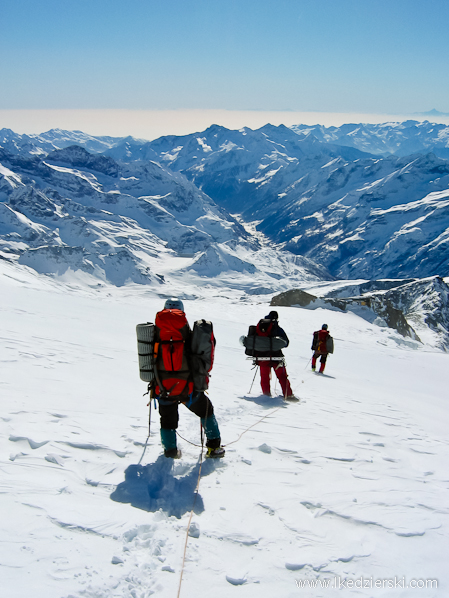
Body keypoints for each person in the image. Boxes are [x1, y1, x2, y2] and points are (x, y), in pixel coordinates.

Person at [154, 298, 225, 459]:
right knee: (206, 411)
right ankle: (214, 448)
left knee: (167, 420)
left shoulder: (154, 334)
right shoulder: (190, 335)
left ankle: (170, 451)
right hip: (188, 388)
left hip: (163, 387)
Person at [255, 311, 296, 400]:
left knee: (264, 377)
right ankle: (288, 395)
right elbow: (286, 343)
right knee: (282, 376)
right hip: (276, 357)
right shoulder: (277, 328)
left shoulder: (259, 327)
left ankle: (266, 395)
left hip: (262, 356)